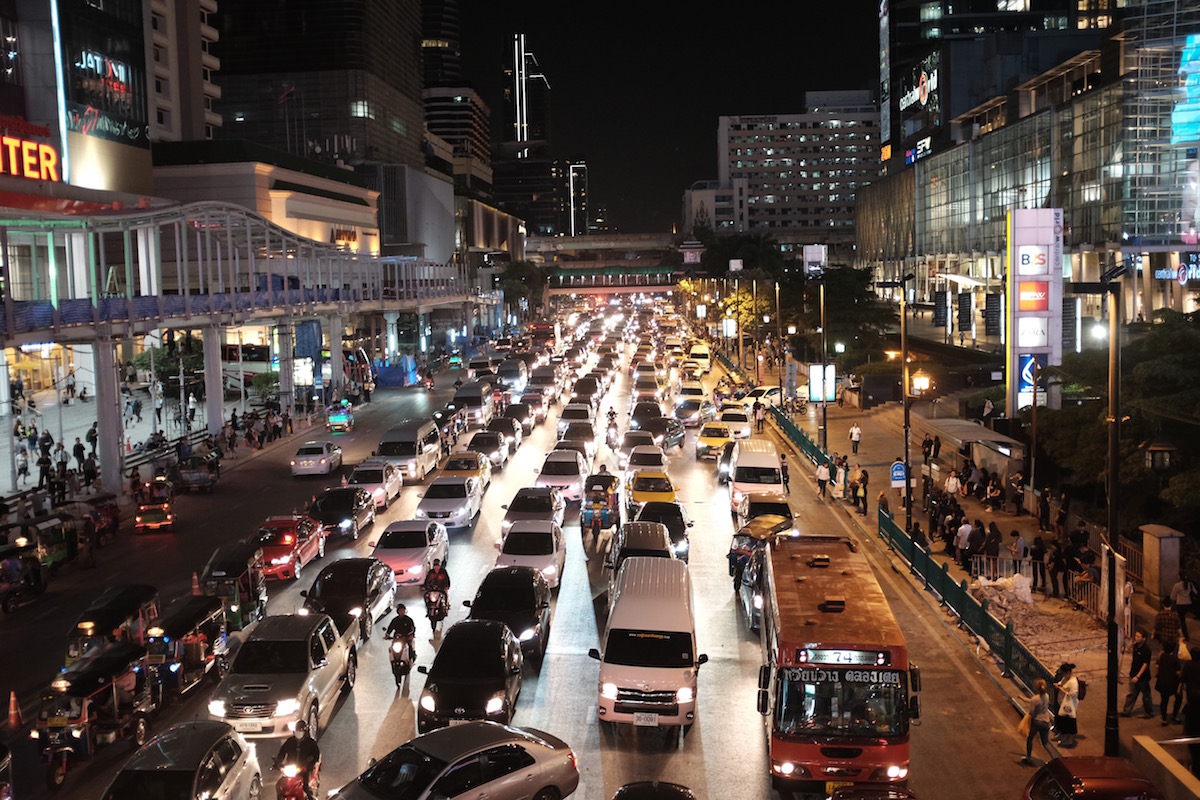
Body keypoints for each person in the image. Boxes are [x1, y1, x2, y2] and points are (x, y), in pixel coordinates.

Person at [275, 719, 321, 800]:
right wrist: (277, 763)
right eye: (297, 731)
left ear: (305, 732)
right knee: (280, 785)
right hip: (291, 768)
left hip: (304, 769)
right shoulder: (290, 741)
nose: (298, 733)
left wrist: (309, 765)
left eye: (300, 731)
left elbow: (315, 755)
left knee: (305, 787)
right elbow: (282, 752)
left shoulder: (311, 743)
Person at [1121, 628, 1155, 718]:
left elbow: (1145, 664)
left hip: (1142, 678)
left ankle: (1149, 712)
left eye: (1138, 636)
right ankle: (1126, 711)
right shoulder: (1136, 646)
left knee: (1146, 695)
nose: (1136, 637)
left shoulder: (1146, 650)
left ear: (1144, 638)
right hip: (1133, 674)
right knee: (1131, 694)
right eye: (1135, 636)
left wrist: (1138, 676)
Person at [1023, 678, 1054, 764]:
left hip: (1037, 721)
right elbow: (1037, 702)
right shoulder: (1047, 696)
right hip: (1046, 721)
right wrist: (1024, 699)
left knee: (1030, 739)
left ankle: (1028, 757)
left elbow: (1032, 711)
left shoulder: (1035, 698)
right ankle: (1054, 759)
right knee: (1045, 743)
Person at [1156, 640, 1183, 726]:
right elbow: (1178, 672)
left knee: (1164, 700)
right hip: (1173, 682)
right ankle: (1174, 715)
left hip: (1163, 681)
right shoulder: (1174, 659)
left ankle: (1164, 718)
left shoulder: (1162, 656)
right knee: (1178, 698)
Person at [1053, 663, 1080, 747]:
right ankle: (1061, 735)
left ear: (1068, 672)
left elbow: (1073, 694)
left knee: (1068, 723)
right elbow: (1061, 683)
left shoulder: (1073, 682)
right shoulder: (1065, 678)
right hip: (1062, 703)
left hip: (1069, 706)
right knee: (1062, 721)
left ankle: (1068, 740)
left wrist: (1061, 689)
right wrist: (1058, 685)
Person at [1170, 572, 1194, 641]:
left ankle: (1185, 635)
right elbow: (1195, 592)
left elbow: (1172, 596)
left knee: (1181, 620)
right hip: (1188, 603)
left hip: (1180, 604)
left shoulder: (1177, 585)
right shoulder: (1190, 584)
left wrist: (1175, 600)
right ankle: (1181, 632)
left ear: (1180, 577)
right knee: (1182, 618)